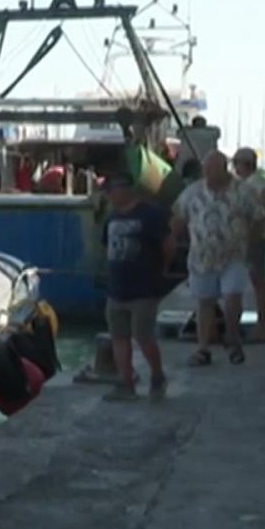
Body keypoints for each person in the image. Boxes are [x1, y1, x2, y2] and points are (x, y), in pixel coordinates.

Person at [171, 150, 265, 367]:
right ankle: (203, 348)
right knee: (204, 303)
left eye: (214, 170)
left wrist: (251, 244)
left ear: (225, 169)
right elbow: (178, 217)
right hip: (201, 257)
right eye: (207, 171)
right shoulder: (193, 192)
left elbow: (259, 219)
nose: (210, 175)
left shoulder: (243, 192)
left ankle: (232, 336)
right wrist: (171, 241)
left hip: (234, 256)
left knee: (232, 295)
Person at [100, 172, 175, 401]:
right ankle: (126, 383)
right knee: (119, 338)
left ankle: (157, 375)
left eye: (111, 191)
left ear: (124, 189)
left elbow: (168, 244)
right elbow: (107, 248)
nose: (109, 196)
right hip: (117, 289)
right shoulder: (111, 218)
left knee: (143, 336)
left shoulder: (151, 215)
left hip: (144, 288)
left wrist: (162, 268)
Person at [232, 146, 265, 342]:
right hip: (244, 239)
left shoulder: (256, 185)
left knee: (257, 282)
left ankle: (261, 326)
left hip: (255, 240)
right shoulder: (247, 184)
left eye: (235, 163)